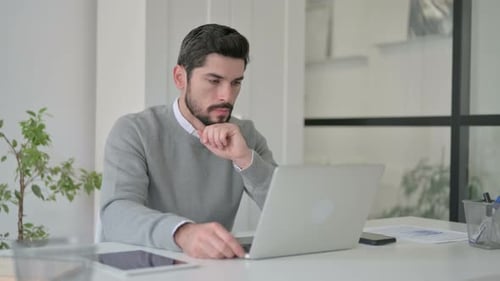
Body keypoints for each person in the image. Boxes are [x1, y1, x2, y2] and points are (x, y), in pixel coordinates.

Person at [99, 23, 277, 259]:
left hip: (213, 270)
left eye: (236, 82)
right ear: (180, 77)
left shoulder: (246, 135)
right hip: (143, 268)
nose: (227, 95)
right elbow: (115, 214)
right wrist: (183, 233)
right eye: (214, 81)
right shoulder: (134, 130)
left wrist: (245, 160)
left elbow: (287, 213)